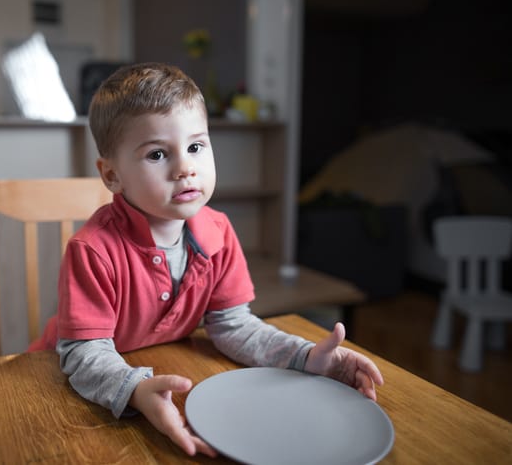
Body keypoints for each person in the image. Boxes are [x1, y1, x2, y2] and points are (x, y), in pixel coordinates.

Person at [29, 62, 384, 457]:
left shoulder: (217, 233)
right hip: (69, 384)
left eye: (196, 147)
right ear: (112, 175)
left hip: (163, 365)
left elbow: (233, 327)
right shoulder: (93, 249)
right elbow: (83, 354)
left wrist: (304, 357)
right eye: (158, 154)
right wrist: (134, 391)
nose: (185, 168)